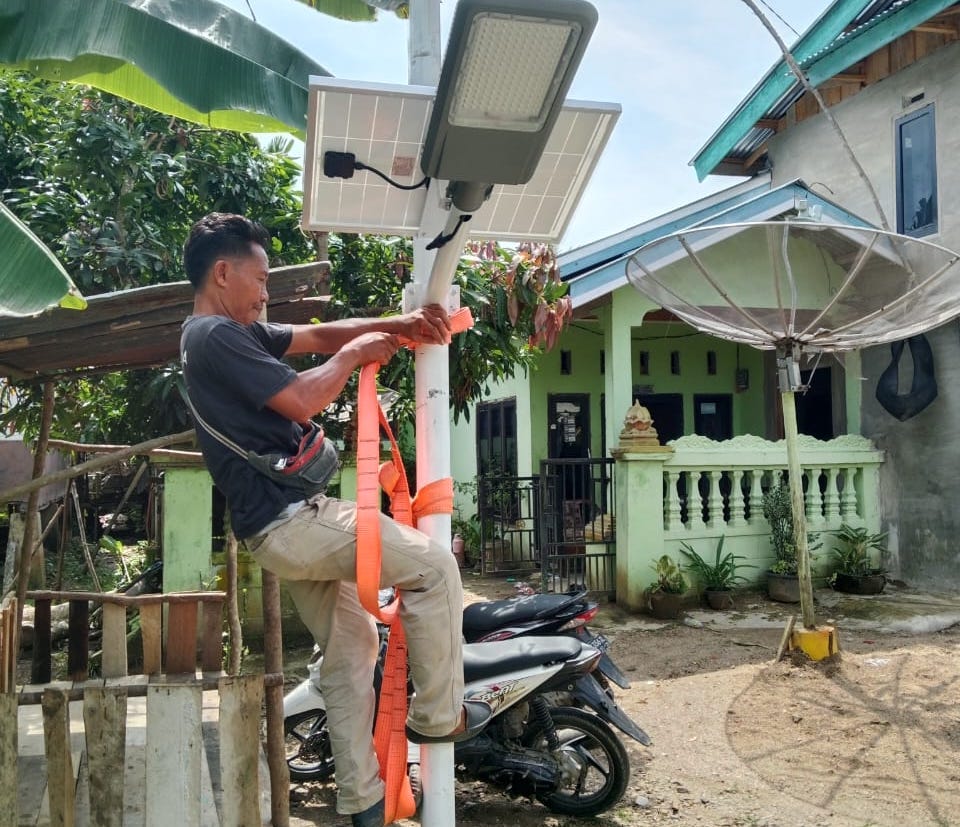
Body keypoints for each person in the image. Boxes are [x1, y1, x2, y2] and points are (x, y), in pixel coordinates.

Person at [180, 213, 489, 827]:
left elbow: (318, 337)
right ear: (223, 272)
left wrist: (394, 327)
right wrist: (354, 354)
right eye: (261, 278)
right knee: (433, 567)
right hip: (295, 519)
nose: (267, 292)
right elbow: (303, 396)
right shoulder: (214, 336)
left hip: (279, 531)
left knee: (350, 651)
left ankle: (363, 801)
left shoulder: (223, 335)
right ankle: (438, 716)